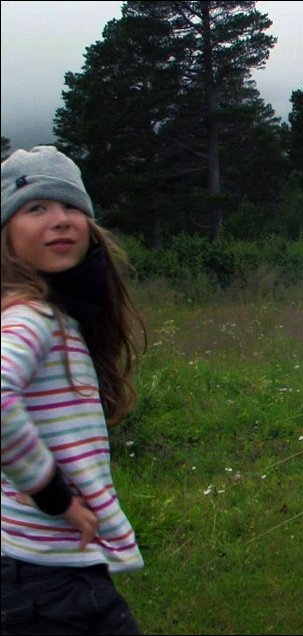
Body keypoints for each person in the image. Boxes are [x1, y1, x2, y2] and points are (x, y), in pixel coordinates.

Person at [1, 146, 147, 634]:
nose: (60, 220)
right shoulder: (30, 316)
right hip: (42, 577)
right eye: (36, 208)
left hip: (47, 568)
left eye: (71, 207)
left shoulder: (55, 314)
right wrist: (52, 494)